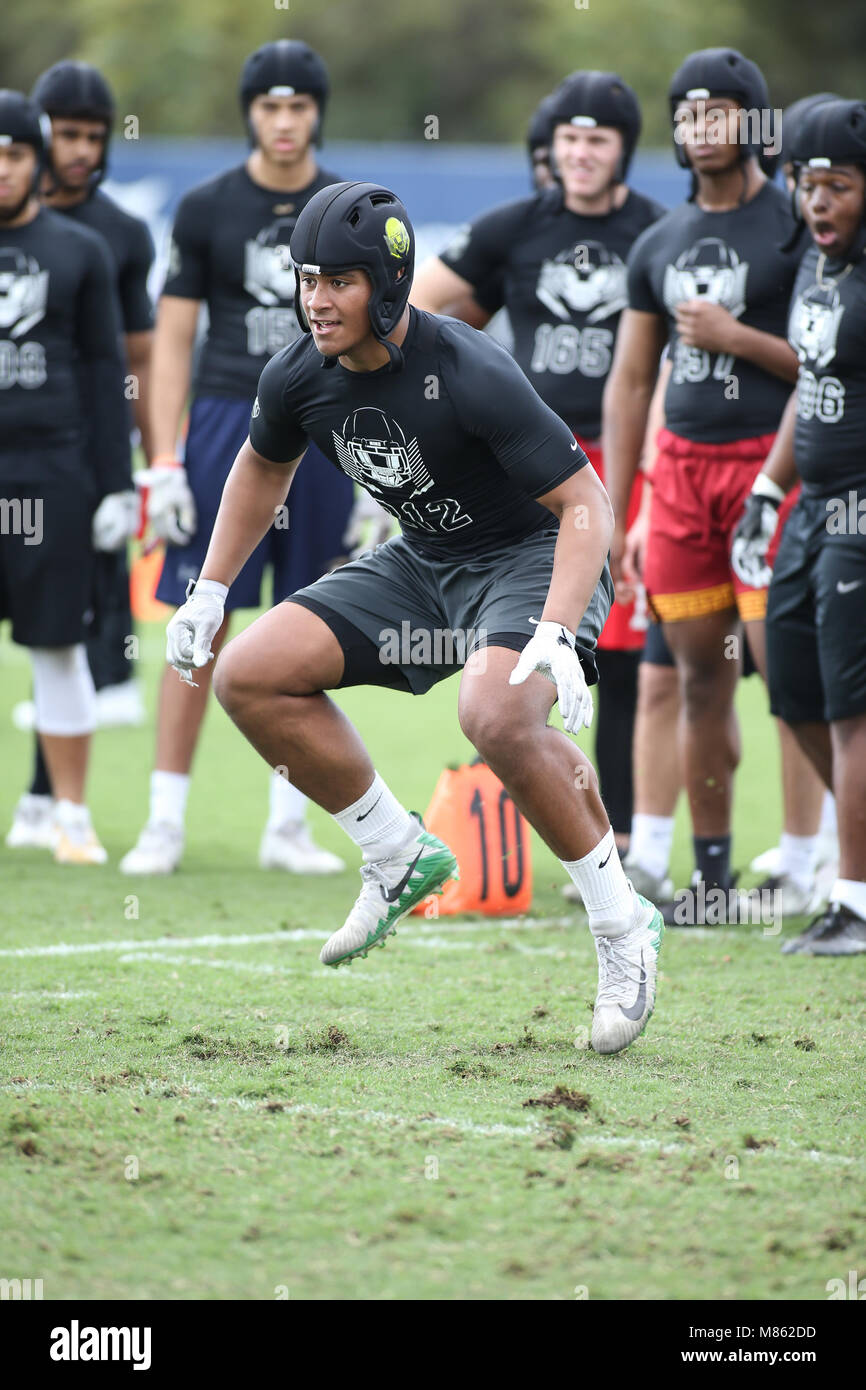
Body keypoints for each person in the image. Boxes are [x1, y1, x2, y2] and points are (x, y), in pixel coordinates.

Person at [164, 181, 664, 1055]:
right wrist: (209, 590)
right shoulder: (298, 371)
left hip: (533, 555)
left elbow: (586, 502)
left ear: (388, 287)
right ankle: (396, 853)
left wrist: (553, 630)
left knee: (497, 715)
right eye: (306, 279)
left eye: (339, 283)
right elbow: (260, 468)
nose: (315, 301)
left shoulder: (469, 368)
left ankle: (624, 930)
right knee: (250, 674)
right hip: (424, 559)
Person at [412, 72, 666, 859]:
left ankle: (622, 836)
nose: (582, 153)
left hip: (628, 458)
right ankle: (579, 832)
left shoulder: (658, 233)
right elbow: (419, 313)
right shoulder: (513, 226)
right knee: (538, 648)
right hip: (534, 461)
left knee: (623, 652)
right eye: (569, 139)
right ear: (549, 148)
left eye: (598, 139)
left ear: (624, 148)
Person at [120, 40, 353, 877]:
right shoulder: (208, 205)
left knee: (305, 629)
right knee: (200, 618)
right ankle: (165, 819)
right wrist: (166, 458)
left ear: (316, 111)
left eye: (297, 107)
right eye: (269, 106)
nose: (283, 122)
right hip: (228, 420)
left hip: (326, 425)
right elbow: (173, 339)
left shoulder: (348, 205)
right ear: (249, 111)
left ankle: (287, 824)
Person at [603, 47, 821, 923]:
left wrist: (737, 338)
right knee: (700, 680)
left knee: (792, 676)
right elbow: (628, 382)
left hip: (775, 469)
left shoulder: (800, 225)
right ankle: (715, 875)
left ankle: (811, 862)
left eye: (720, 112)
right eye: (688, 115)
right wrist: (620, 506)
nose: (701, 128)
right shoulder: (659, 239)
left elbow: (829, 359)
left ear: (755, 121)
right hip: (684, 480)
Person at [6, 60, 156, 854]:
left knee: (59, 641)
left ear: (33, 160)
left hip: (54, 467)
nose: (5, 168)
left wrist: (115, 485)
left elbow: (110, 372)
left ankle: (67, 814)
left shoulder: (83, 250)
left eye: (15, 153)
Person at [732, 99, 866, 955]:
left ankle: (853, 898)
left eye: (839, 185)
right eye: (806, 183)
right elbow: (812, 391)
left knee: (854, 709)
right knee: (791, 683)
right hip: (813, 502)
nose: (819, 201)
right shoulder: (818, 267)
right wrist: (767, 488)